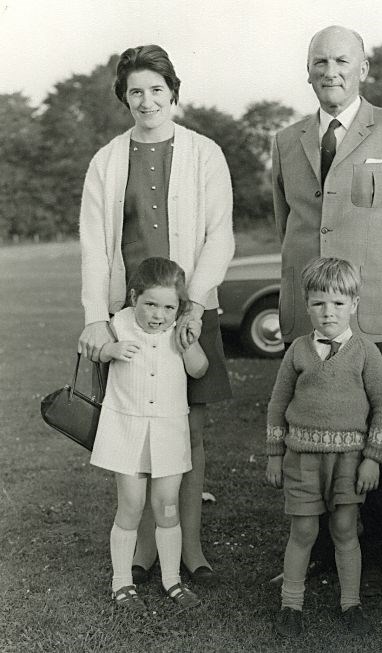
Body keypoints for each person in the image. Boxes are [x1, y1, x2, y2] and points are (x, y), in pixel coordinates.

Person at [271, 25, 382, 593]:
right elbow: (287, 224)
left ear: (363, 69)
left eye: (343, 60)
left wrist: (381, 281)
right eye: (320, 61)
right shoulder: (287, 138)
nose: (330, 71)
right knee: (306, 433)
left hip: (371, 321)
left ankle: (378, 550)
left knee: (373, 435)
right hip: (305, 317)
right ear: (308, 69)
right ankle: (315, 547)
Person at [78, 44, 234, 586]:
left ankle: (189, 547)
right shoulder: (107, 160)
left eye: (157, 91)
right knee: (135, 428)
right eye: (136, 92)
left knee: (188, 431)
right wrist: (97, 317)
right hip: (131, 316)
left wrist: (194, 304)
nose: (147, 101)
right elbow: (95, 246)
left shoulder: (204, 153)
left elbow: (220, 235)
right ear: (125, 98)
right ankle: (143, 550)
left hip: (191, 310)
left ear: (174, 93)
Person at [266, 257, 382, 637]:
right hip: (301, 457)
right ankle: (291, 605)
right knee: (303, 531)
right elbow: (277, 404)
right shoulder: (297, 352)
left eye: (338, 304)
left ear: (354, 304)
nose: (328, 313)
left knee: (344, 529)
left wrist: (373, 459)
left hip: (349, 460)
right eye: (319, 303)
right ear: (306, 304)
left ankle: (351, 602)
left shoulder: (366, 352)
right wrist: (274, 453)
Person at [91, 257, 208, 611]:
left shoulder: (179, 330)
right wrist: (110, 350)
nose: (158, 314)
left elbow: (200, 370)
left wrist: (189, 344)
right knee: (130, 505)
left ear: (179, 307)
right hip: (126, 427)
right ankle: (121, 582)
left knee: (166, 506)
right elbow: (94, 351)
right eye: (150, 304)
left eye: (168, 307)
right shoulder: (119, 324)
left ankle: (172, 579)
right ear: (133, 298)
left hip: (168, 430)